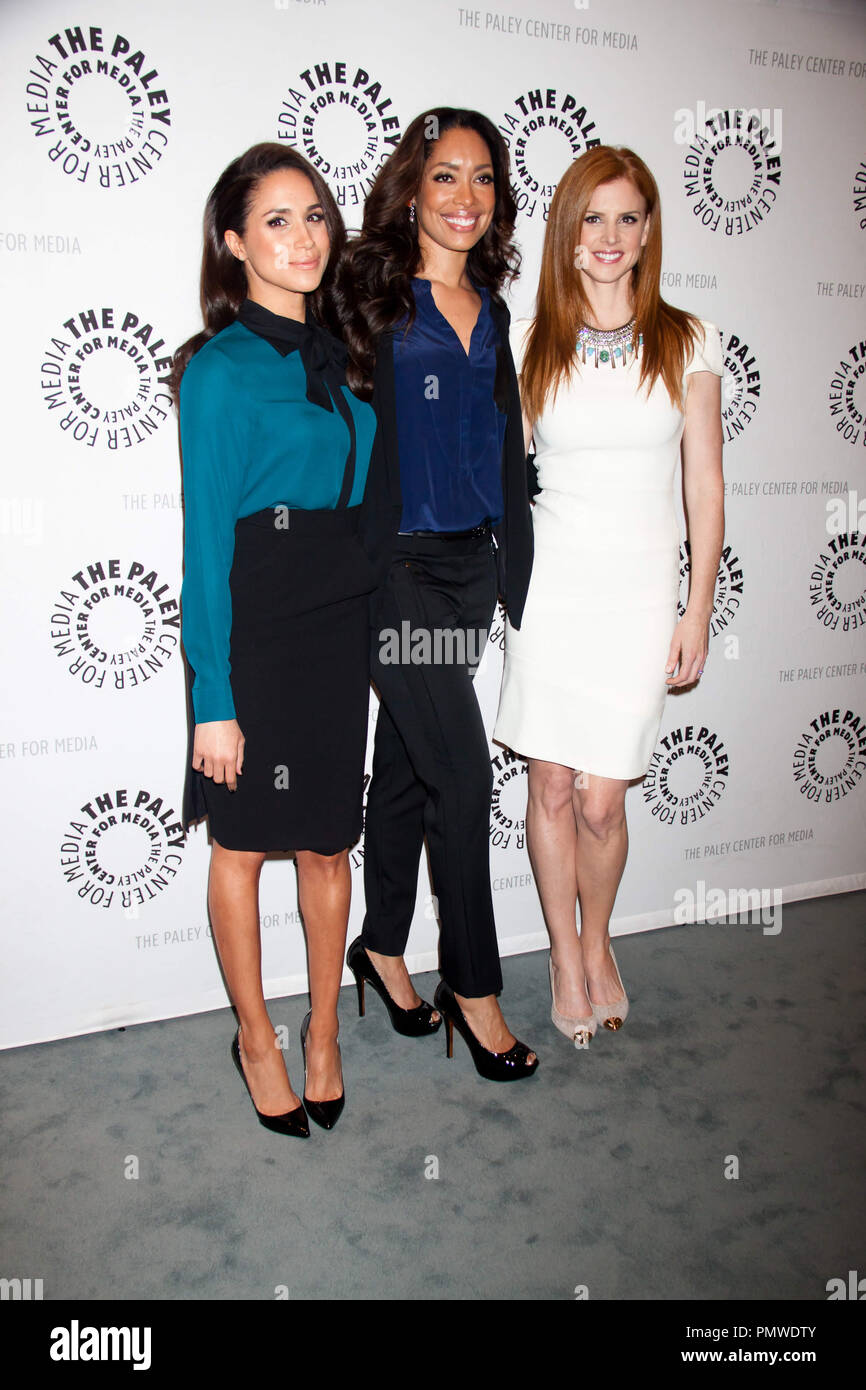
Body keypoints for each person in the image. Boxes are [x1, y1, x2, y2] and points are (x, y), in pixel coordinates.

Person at [494, 146, 724, 1047]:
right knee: (550, 783)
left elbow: (703, 483)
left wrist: (697, 607)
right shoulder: (525, 341)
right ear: (568, 228)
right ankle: (565, 954)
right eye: (594, 218)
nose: (611, 237)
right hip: (550, 587)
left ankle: (601, 940)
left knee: (603, 800)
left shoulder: (688, 337)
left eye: (629, 218)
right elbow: (502, 475)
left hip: (637, 591)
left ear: (649, 230)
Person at [172, 143, 378, 1134]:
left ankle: (324, 1029)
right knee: (245, 847)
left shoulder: (346, 359)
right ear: (233, 243)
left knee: (327, 843)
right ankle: (256, 1036)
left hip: (338, 632)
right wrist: (212, 693)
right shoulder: (219, 372)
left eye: (314, 216)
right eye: (277, 221)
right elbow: (205, 537)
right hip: (254, 631)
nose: (305, 237)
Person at [335, 109, 538, 1081]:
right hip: (396, 572)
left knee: (412, 768)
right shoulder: (371, 299)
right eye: (444, 176)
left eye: (483, 178)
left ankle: (379, 943)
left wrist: (519, 576)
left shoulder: (491, 309)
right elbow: (318, 413)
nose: (465, 197)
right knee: (464, 777)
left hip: (467, 569)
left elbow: (503, 447)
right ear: (411, 189)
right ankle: (473, 985)